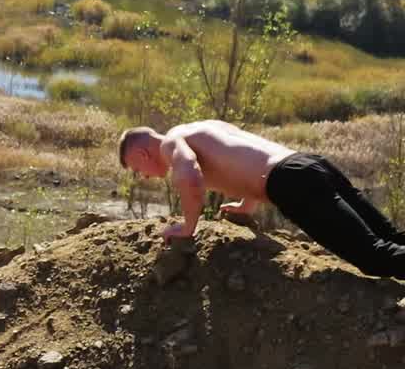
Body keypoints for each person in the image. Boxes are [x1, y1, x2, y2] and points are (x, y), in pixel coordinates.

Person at [119, 118, 405, 278]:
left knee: (374, 258)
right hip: (308, 164)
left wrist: (187, 227)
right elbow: (246, 157)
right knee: (389, 237)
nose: (142, 176)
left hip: (291, 182)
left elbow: (190, 177)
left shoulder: (171, 142)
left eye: (136, 169)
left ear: (142, 154)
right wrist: (247, 205)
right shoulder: (201, 127)